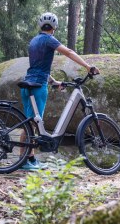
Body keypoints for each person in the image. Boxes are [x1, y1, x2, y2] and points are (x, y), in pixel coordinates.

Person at [20, 12, 99, 171]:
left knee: (32, 124)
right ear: (54, 27)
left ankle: (30, 159)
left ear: (40, 26)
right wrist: (87, 67)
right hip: (38, 86)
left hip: (29, 82)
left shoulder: (34, 41)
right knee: (32, 124)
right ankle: (23, 161)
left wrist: (54, 82)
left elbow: (38, 67)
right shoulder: (49, 39)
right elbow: (69, 52)